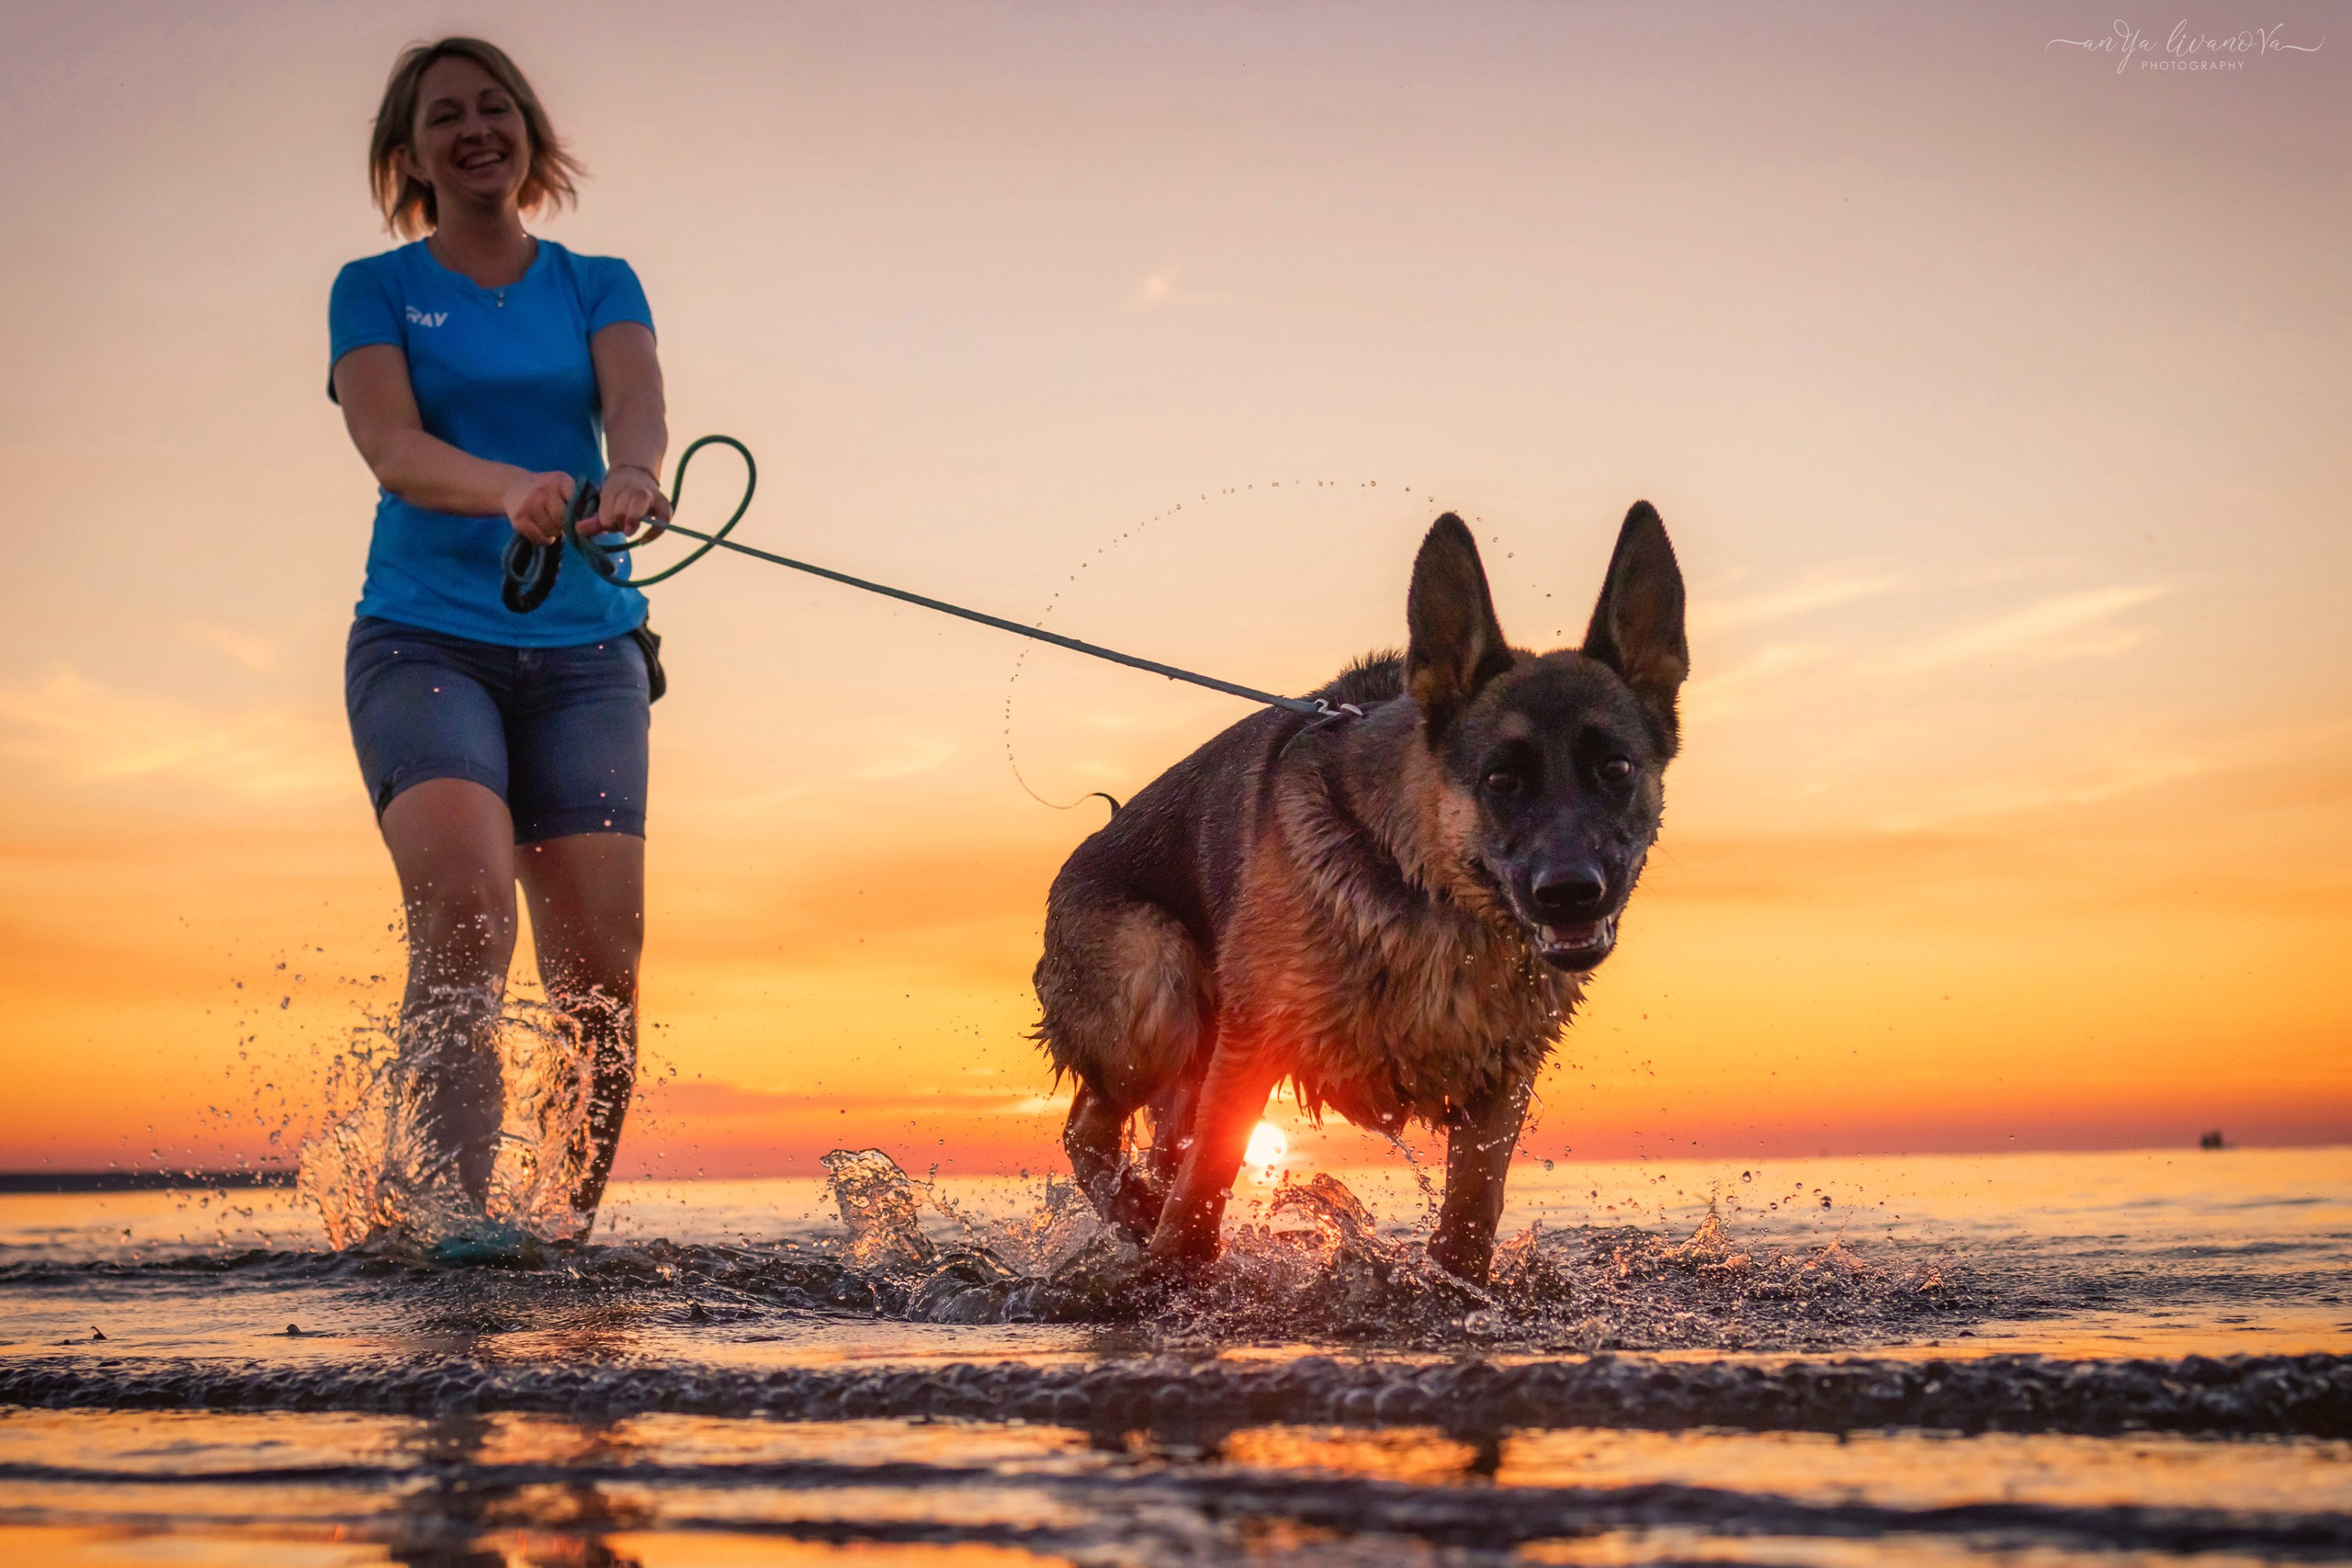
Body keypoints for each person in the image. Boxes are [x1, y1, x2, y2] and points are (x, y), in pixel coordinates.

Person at [328, 37, 671, 1247]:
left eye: (495, 108)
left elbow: (634, 400)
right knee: (469, 904)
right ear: (408, 154)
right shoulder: (373, 291)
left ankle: (561, 1233)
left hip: (587, 659)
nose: (476, 129)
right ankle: (442, 1228)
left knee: (600, 980)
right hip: (426, 642)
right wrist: (511, 486)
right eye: (445, 117)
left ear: (528, 129)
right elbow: (393, 448)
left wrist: (629, 470)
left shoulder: (597, 280)